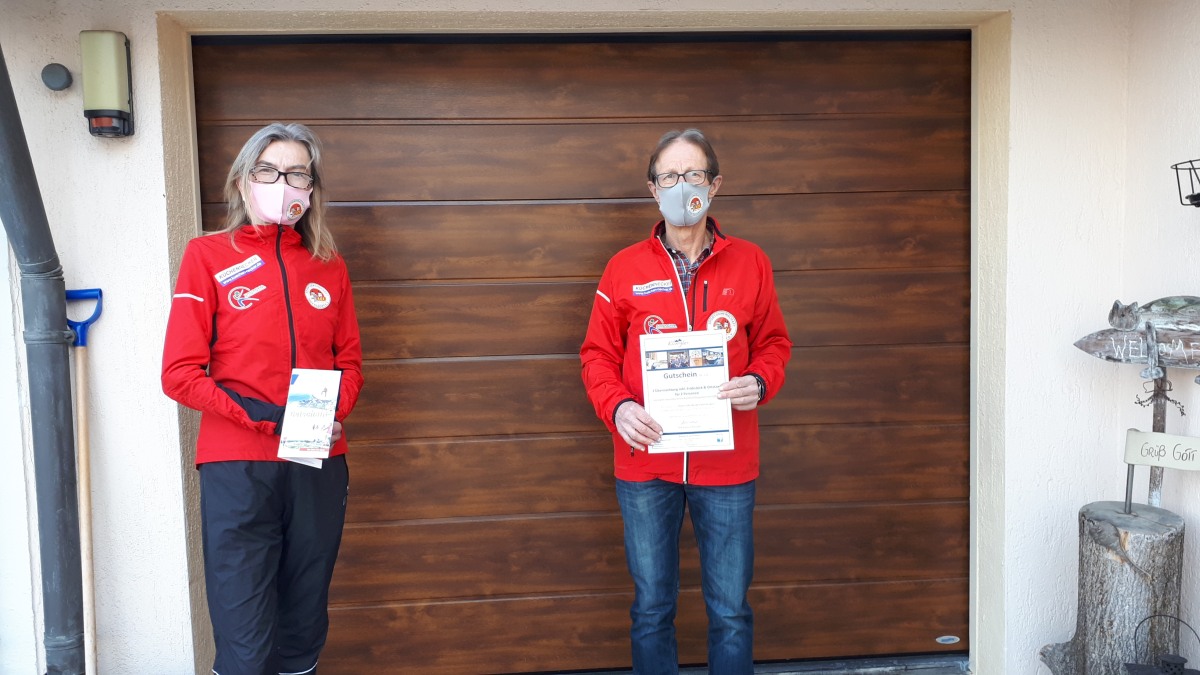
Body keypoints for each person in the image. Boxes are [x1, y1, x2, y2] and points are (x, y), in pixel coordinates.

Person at [580, 129, 792, 675]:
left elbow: (774, 343)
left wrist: (760, 382)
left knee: (731, 612)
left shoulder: (751, 262)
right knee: (652, 610)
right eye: (669, 177)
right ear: (653, 189)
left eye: (693, 174)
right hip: (645, 465)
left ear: (714, 185)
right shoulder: (623, 268)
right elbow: (597, 356)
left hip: (727, 464)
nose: (682, 187)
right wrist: (619, 408)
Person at [161, 122, 364, 675]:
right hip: (238, 466)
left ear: (311, 188)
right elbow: (179, 374)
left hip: (316, 459)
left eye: (297, 173)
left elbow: (349, 363)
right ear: (243, 181)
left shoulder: (329, 264)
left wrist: (332, 414)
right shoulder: (207, 256)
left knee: (303, 627)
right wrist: (268, 418)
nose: (283, 184)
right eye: (268, 171)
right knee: (245, 636)